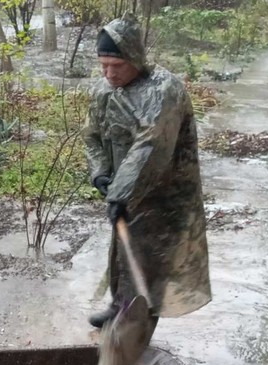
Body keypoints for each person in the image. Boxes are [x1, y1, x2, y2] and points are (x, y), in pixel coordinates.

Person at [84, 14, 211, 334]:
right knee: (122, 253)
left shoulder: (163, 89)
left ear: (136, 59)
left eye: (117, 66)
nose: (109, 74)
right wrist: (100, 174)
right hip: (125, 191)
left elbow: (151, 146)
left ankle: (135, 333)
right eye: (103, 65)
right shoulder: (104, 91)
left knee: (150, 261)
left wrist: (120, 194)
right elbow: (93, 136)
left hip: (162, 196)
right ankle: (119, 307)